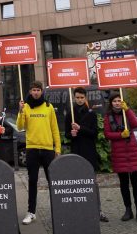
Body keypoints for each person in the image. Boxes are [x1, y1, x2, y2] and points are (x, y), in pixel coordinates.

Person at [17, 81, 61, 225]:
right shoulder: (26, 107)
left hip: (48, 149)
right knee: (32, 181)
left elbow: (55, 129)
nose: (36, 92)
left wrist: (58, 149)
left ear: (42, 91)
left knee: (52, 180)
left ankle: (57, 210)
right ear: (30, 91)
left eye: (38, 90)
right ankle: (31, 212)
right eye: (33, 90)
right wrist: (20, 111)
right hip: (32, 149)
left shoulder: (48, 107)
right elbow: (20, 126)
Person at [64, 87, 108, 222]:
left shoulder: (91, 114)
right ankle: (80, 210)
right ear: (74, 98)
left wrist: (80, 128)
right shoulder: (70, 114)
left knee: (92, 182)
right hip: (76, 152)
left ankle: (98, 210)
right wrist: (71, 134)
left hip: (89, 152)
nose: (79, 100)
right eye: (77, 97)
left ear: (85, 98)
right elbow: (66, 134)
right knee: (77, 182)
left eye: (82, 98)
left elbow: (94, 133)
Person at [103, 91, 137, 223]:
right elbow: (107, 134)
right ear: (111, 103)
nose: (117, 103)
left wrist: (127, 110)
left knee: (136, 183)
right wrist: (120, 136)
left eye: (119, 101)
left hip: (132, 151)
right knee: (124, 184)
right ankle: (128, 210)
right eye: (114, 101)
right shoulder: (108, 117)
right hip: (119, 153)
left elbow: (135, 124)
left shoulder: (127, 112)